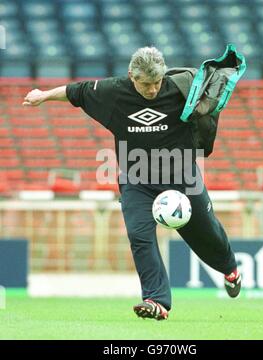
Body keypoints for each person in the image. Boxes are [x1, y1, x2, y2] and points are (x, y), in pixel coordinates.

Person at [23, 47, 241, 321]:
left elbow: (214, 84)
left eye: (157, 82)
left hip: (183, 176)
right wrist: (43, 96)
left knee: (204, 233)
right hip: (137, 180)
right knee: (139, 236)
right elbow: (75, 91)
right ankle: (157, 301)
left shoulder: (181, 87)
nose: (152, 89)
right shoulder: (113, 92)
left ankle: (230, 268)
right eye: (146, 84)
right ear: (131, 77)